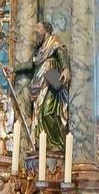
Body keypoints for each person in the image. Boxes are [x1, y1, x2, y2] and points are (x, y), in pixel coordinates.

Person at [12, 20, 70, 149]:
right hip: (38, 82)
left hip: (50, 79)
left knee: (48, 111)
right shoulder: (39, 50)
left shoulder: (54, 42)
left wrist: (65, 69)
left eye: (38, 27)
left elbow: (61, 54)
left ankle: (54, 143)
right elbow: (29, 64)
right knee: (38, 113)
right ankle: (42, 144)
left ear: (46, 30)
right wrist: (13, 69)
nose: (36, 30)